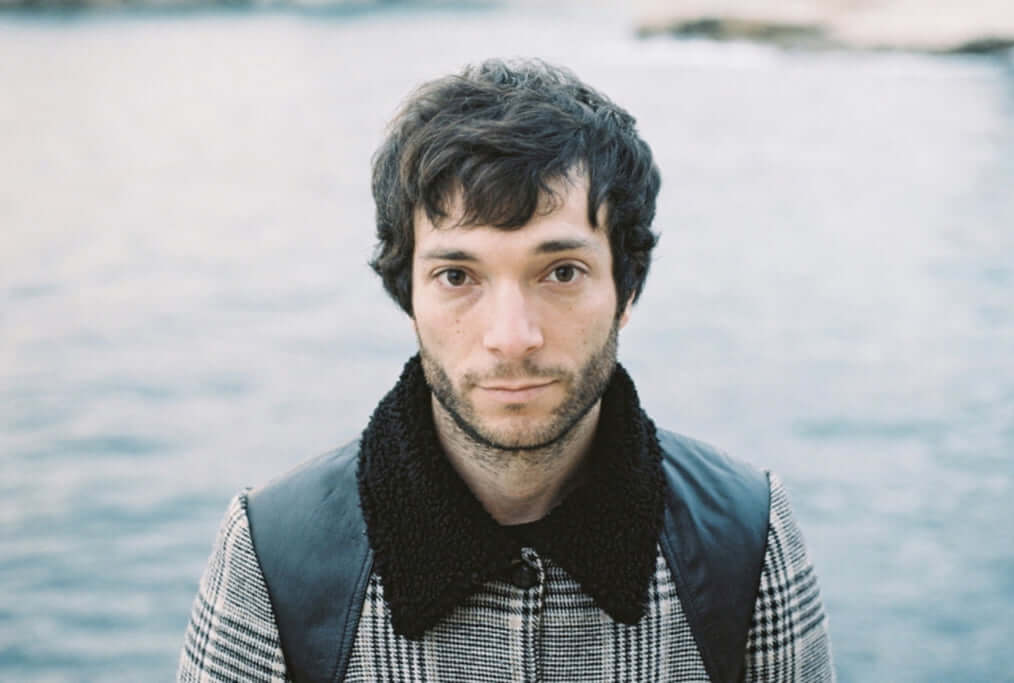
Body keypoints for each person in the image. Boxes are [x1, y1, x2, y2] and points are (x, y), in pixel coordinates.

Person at [178, 58, 834, 682]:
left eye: (562, 272)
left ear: (627, 290)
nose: (512, 337)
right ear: (408, 295)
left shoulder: (747, 535)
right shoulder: (272, 552)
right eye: (457, 276)